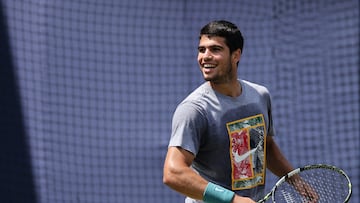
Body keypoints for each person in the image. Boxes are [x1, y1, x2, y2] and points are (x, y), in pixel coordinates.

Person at [163, 20, 294, 203]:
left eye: (215, 49)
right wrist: (232, 200)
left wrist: (295, 180)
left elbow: (265, 146)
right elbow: (173, 172)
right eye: (202, 50)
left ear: (236, 55)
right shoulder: (193, 109)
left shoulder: (260, 96)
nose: (205, 57)